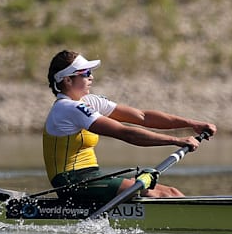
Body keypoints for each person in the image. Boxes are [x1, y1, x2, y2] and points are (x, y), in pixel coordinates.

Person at [43, 50, 216, 203]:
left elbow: (142, 117)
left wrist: (192, 124)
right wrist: (176, 141)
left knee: (173, 192)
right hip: (71, 183)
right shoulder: (67, 108)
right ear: (67, 80)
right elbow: (126, 133)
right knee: (163, 196)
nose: (91, 77)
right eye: (85, 73)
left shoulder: (88, 102)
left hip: (91, 177)